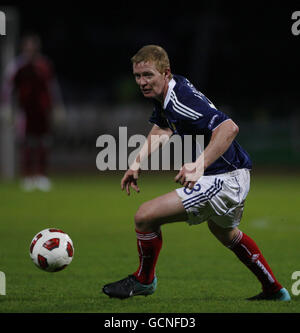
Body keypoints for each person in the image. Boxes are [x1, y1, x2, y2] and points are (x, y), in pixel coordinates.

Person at [102, 45, 290, 301]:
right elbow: (163, 128)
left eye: (148, 75)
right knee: (226, 233)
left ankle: (144, 280)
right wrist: (137, 162)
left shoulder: (180, 101)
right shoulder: (170, 92)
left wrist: (199, 164)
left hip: (224, 178)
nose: (142, 82)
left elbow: (229, 128)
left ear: (165, 73)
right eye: (138, 76)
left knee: (145, 216)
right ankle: (274, 289)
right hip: (234, 173)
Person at [1, 33, 64, 191]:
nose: (31, 50)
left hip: (42, 111)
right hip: (25, 112)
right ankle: (27, 176)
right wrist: (7, 108)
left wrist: (57, 107)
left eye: (33, 47)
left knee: (43, 142)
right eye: (28, 47)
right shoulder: (16, 66)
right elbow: (8, 89)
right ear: (23, 48)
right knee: (27, 143)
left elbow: (52, 87)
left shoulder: (44, 65)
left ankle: (41, 175)